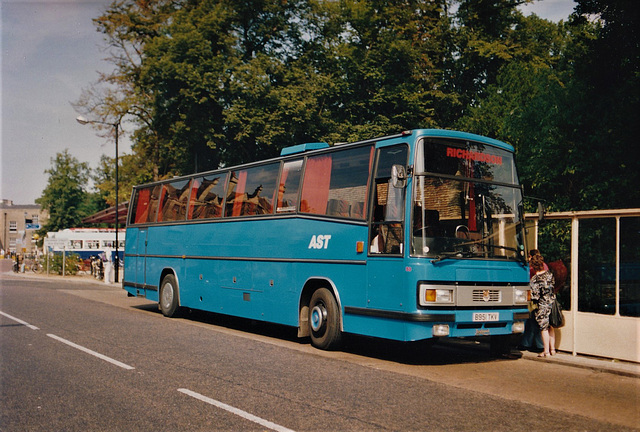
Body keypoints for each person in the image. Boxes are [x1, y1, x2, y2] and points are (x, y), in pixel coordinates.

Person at [529, 254, 557, 357]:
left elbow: (535, 296)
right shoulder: (550, 274)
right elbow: (553, 285)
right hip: (552, 302)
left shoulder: (535, 279)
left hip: (542, 305)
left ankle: (546, 351)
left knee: (543, 328)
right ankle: (553, 349)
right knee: (551, 327)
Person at [519, 250, 546, 352]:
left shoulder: (533, 271)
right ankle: (528, 343)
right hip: (545, 301)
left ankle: (539, 345)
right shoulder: (546, 270)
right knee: (534, 322)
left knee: (534, 322)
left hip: (536, 301)